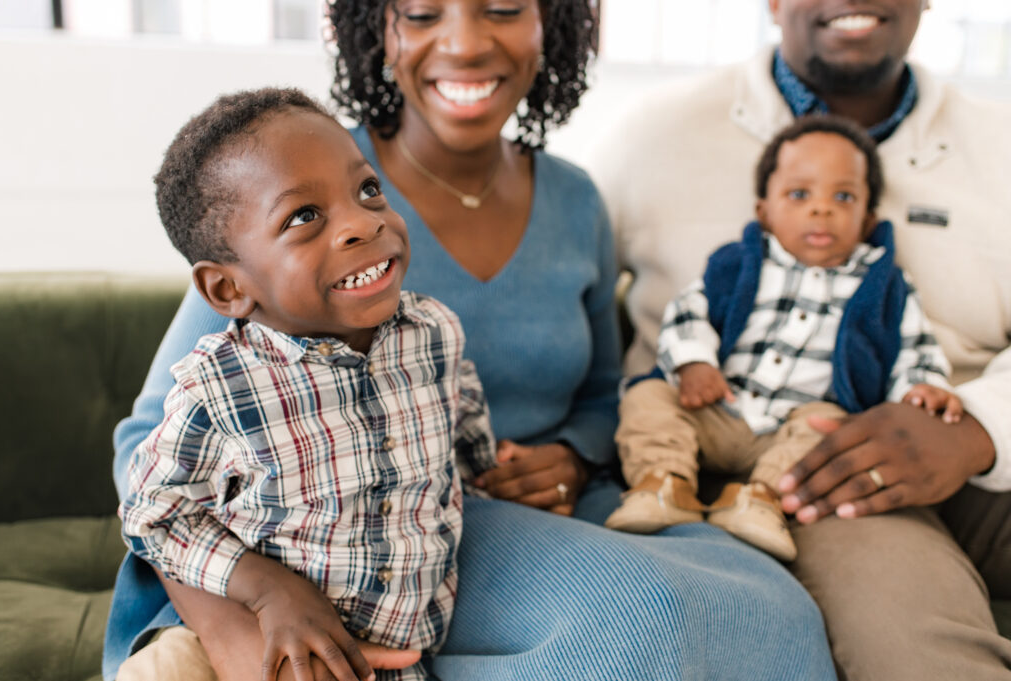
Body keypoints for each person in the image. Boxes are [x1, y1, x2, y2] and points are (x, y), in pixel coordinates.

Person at [104, 2, 839, 680]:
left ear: (550, 24)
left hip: (507, 511)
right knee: (646, 625)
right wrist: (244, 617)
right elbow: (151, 451)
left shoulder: (575, 200)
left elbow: (599, 394)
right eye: (423, 11)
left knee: (768, 608)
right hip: (329, 546)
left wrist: (575, 459)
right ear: (378, 33)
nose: (464, 40)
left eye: (503, 7)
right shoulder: (286, 177)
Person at [590, 0, 1011, 677]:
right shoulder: (654, 135)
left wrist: (981, 429)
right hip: (808, 464)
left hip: (965, 434)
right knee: (919, 648)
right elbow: (566, 300)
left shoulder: (1000, 142)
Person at [117, 87, 497, 681]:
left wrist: (489, 470)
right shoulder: (220, 387)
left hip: (393, 657)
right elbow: (152, 514)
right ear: (227, 290)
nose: (360, 225)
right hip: (252, 646)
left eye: (367, 190)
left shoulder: (435, 332)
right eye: (303, 217)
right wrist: (268, 594)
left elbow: (463, 419)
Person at [605, 115, 961, 563]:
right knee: (649, 396)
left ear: (868, 219)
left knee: (834, 427)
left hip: (795, 428)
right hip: (718, 409)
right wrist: (694, 364)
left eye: (843, 196)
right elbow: (687, 312)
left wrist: (923, 389)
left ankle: (762, 500)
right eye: (799, 194)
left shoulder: (883, 286)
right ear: (764, 211)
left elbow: (913, 348)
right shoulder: (737, 265)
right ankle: (663, 483)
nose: (821, 208)